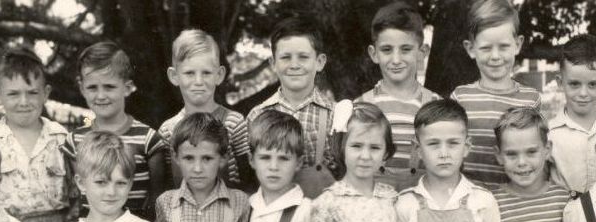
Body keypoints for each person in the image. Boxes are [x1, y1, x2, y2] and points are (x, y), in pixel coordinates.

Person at [62, 41, 168, 220]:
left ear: (127, 88)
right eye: (92, 88)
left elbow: (158, 200)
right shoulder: (74, 141)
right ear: (82, 89)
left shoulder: (148, 139)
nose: (101, 95)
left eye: (109, 87)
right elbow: (77, 198)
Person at [0, 45, 71, 222]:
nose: (24, 102)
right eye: (13, 94)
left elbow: (76, 188)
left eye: (32, 93)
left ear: (46, 94)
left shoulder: (60, 137)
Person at [449, 0, 543, 186]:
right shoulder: (460, 98)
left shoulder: (531, 99)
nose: (495, 56)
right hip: (470, 202)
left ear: (517, 44)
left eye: (503, 46)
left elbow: (537, 154)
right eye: (485, 48)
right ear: (471, 49)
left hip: (513, 202)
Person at [247, 16, 336, 198]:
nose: (294, 65)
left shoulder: (335, 115)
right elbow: (249, 175)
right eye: (286, 57)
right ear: (273, 64)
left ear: (319, 62)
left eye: (303, 57)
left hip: (320, 213)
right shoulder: (257, 116)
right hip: (274, 216)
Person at [358, 1, 439, 192]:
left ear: (422, 52)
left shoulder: (436, 106)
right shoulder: (361, 107)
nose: (396, 59)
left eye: (406, 49)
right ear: (374, 53)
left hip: (419, 210)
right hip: (373, 210)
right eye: (387, 50)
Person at [160, 29, 251, 189]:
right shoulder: (168, 130)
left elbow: (248, 180)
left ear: (219, 75)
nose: (198, 81)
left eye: (206, 73)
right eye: (189, 73)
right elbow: (169, 186)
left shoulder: (233, 122)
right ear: (174, 76)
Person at [547, 34, 596, 194]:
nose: (583, 93)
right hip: (564, 215)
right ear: (560, 83)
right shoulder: (548, 133)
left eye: (593, 84)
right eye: (574, 84)